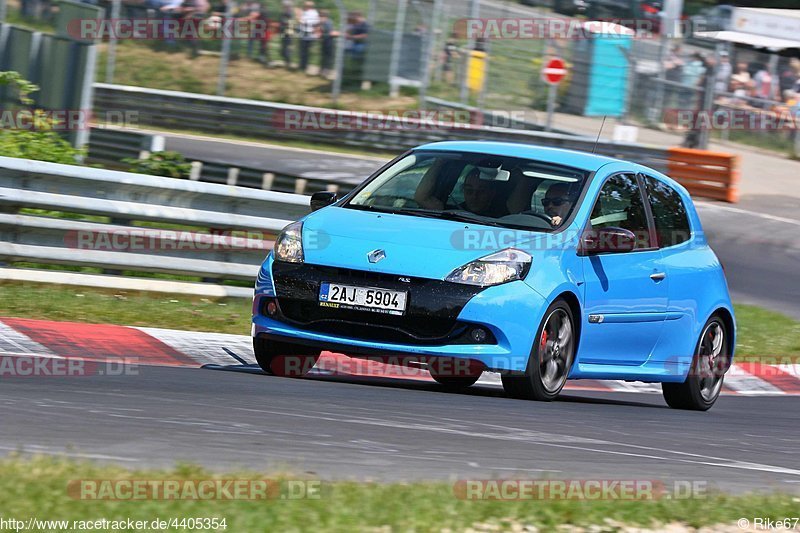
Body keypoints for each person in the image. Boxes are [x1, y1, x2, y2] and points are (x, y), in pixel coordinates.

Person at [414, 165, 503, 217]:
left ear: (491, 193)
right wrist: (440, 162)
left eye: (481, 191)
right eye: (469, 190)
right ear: (463, 190)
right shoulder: (452, 212)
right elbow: (421, 197)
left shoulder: (503, 217)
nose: (474, 196)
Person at [297, 1, 320, 72]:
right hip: (305, 34)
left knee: (305, 52)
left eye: (305, 6)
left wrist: (299, 17)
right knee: (303, 51)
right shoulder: (308, 12)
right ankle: (302, 66)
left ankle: (304, 67)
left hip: (308, 34)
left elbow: (305, 22)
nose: (304, 7)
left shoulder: (312, 13)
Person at [319, 10, 338, 78]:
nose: (320, 17)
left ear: (325, 16)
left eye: (321, 16)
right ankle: (322, 70)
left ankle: (326, 71)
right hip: (324, 41)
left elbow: (330, 33)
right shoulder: (323, 23)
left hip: (329, 42)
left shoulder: (328, 22)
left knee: (328, 57)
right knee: (324, 56)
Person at [278, 1, 296, 69]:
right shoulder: (284, 13)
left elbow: (290, 24)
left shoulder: (289, 13)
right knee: (283, 49)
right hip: (284, 33)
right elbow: (281, 22)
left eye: (284, 6)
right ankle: (286, 62)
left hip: (288, 34)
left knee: (287, 49)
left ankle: (288, 63)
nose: (283, 7)